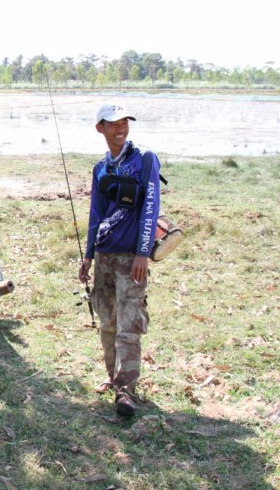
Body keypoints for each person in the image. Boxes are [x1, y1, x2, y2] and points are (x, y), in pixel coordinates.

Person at [78, 103, 161, 417]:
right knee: (108, 322)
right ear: (100, 128)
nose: (120, 128)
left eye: (124, 122)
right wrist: (88, 256)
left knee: (129, 324)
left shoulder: (144, 160)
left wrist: (142, 252)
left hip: (131, 258)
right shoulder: (101, 168)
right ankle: (113, 376)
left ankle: (126, 390)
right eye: (113, 123)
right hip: (104, 256)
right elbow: (96, 214)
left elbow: (151, 205)